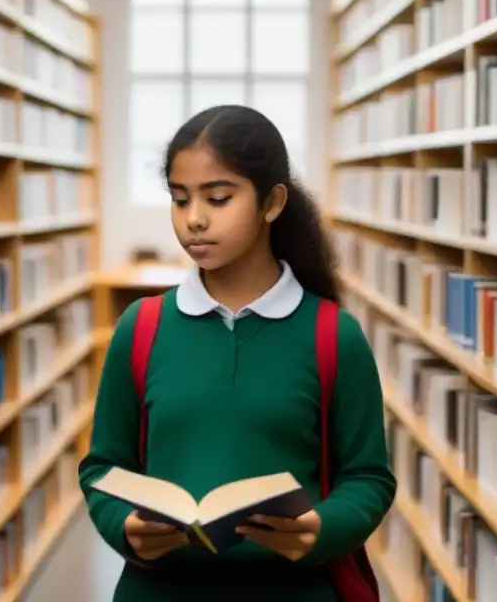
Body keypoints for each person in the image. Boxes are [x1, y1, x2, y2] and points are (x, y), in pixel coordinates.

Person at [78, 105, 396, 601]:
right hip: (161, 591)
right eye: (180, 200)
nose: (194, 219)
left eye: (218, 198)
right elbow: (102, 466)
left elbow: (369, 475)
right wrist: (124, 525)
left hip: (295, 589)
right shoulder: (141, 328)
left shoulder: (335, 335)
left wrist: (324, 528)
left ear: (272, 203)